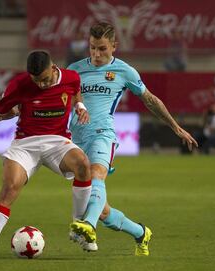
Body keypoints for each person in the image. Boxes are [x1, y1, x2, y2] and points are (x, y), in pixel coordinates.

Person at [67, 22, 198, 256]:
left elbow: (150, 100)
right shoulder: (74, 70)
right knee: (101, 209)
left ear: (114, 46)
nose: (96, 54)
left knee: (97, 175)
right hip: (75, 140)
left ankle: (88, 225)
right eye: (92, 48)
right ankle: (140, 232)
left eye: (102, 49)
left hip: (102, 135)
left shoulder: (125, 71)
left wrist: (176, 127)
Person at [0, 51, 92, 260]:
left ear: (53, 67)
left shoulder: (71, 77)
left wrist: (80, 106)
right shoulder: (19, 84)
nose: (41, 85)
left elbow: (76, 92)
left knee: (84, 165)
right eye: (36, 81)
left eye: (45, 79)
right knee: (10, 187)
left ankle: (79, 227)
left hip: (57, 141)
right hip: (25, 144)